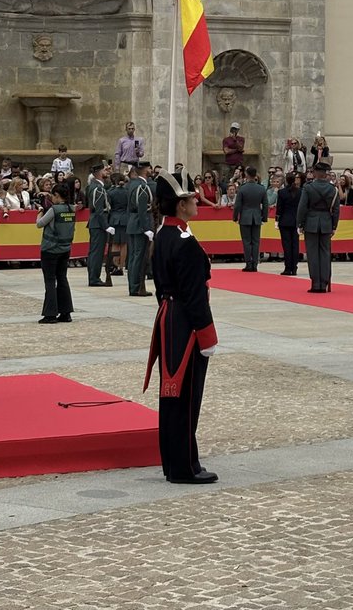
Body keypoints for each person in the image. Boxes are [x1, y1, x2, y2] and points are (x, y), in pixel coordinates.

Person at [143, 170, 219, 485]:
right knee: (187, 394)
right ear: (180, 204)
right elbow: (195, 294)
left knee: (171, 395)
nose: (196, 201)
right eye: (190, 198)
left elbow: (164, 287)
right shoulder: (184, 241)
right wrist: (207, 334)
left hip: (168, 314)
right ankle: (186, 466)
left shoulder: (164, 235)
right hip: (186, 320)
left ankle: (173, 461)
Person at [35, 182, 76, 323]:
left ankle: (50, 314)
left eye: (53, 195)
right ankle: (66, 313)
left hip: (50, 249)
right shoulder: (72, 209)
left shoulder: (54, 209)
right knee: (62, 279)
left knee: (50, 281)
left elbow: (39, 224)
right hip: (65, 249)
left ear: (57, 195)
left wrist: (40, 211)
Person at [297, 161, 340, 293]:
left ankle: (316, 283)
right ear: (325, 174)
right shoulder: (333, 189)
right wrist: (334, 226)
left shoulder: (308, 187)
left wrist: (300, 223)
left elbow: (302, 207)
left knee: (313, 254)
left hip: (311, 222)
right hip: (326, 222)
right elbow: (336, 210)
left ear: (316, 173)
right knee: (325, 253)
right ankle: (324, 282)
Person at [126, 160, 154, 296]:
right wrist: (146, 228)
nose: (150, 169)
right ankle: (137, 287)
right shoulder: (142, 186)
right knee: (139, 257)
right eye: (149, 167)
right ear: (144, 169)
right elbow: (143, 209)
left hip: (132, 223)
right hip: (139, 224)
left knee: (133, 257)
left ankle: (133, 285)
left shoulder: (132, 184)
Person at [232, 165, 268, 271]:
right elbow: (265, 205)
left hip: (245, 217)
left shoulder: (243, 188)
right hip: (256, 216)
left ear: (247, 175)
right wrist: (264, 217)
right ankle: (255, 264)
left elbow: (237, 205)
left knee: (247, 241)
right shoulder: (261, 188)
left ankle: (248, 263)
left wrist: (235, 217)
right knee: (256, 241)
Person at [86, 162, 112, 287]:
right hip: (98, 223)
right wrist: (106, 225)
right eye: (104, 170)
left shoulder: (96, 186)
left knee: (95, 251)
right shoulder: (98, 188)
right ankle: (94, 278)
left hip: (96, 223)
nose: (106, 172)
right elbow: (99, 210)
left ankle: (93, 276)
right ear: (99, 173)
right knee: (97, 252)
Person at [275, 171, 300, 276]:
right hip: (296, 221)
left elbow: (279, 209)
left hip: (284, 221)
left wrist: (276, 220)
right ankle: (294, 267)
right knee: (295, 245)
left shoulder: (282, 192)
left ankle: (287, 267)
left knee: (286, 245)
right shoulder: (300, 192)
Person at [108, 174, 129, 275]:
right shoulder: (127, 192)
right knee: (124, 244)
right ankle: (122, 266)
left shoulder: (111, 193)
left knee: (115, 243)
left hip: (114, 218)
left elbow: (108, 207)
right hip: (125, 218)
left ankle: (115, 265)